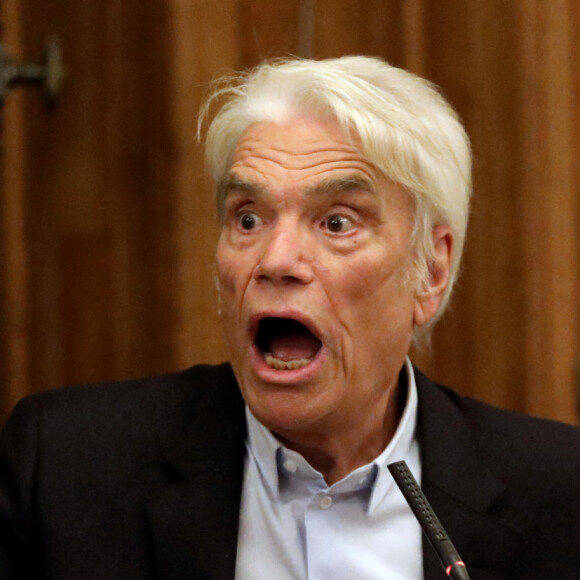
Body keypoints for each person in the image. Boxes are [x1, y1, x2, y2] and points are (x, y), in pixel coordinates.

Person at [1, 56, 579, 580]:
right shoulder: (66, 469)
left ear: (429, 270)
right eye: (248, 218)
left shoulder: (559, 493)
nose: (275, 261)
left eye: (336, 223)